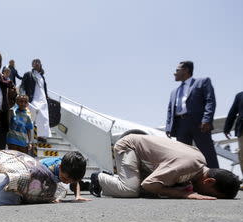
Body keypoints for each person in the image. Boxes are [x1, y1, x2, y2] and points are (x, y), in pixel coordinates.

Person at [90, 134, 240, 199]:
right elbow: (148, 184)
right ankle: (99, 178)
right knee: (131, 191)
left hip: (144, 159)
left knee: (153, 190)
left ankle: (118, 179)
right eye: (211, 195)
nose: (207, 196)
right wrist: (184, 194)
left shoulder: (200, 161)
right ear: (209, 181)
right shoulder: (185, 166)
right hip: (129, 147)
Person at [165, 61, 219, 168]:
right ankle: (189, 182)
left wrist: (207, 119)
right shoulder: (174, 92)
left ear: (186, 70)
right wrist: (168, 127)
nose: (174, 73)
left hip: (199, 124)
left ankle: (217, 179)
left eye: (177, 70)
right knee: (184, 156)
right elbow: (170, 110)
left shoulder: (202, 82)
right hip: (180, 125)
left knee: (207, 153)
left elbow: (210, 101)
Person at [21, 59, 51, 142]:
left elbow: (44, 88)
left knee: (44, 117)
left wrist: (47, 97)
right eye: (35, 62)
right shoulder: (28, 74)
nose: (36, 63)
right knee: (33, 114)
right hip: (33, 98)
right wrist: (23, 95)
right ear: (32, 65)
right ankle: (28, 136)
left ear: (41, 64)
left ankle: (42, 136)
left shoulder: (42, 77)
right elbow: (22, 85)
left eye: (38, 62)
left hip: (43, 99)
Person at [223, 91, 243, 175]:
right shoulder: (240, 96)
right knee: (242, 155)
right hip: (242, 130)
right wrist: (227, 128)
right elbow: (232, 112)